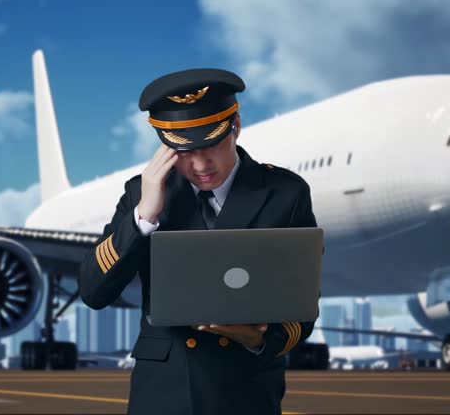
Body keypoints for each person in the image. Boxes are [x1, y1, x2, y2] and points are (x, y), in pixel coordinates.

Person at [79, 68, 318, 415]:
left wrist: (258, 338)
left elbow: (303, 308)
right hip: (165, 391)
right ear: (165, 147)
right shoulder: (142, 192)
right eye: (184, 150)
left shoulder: (285, 193)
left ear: (236, 126)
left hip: (246, 390)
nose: (201, 164)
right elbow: (93, 292)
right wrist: (144, 216)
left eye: (212, 144)